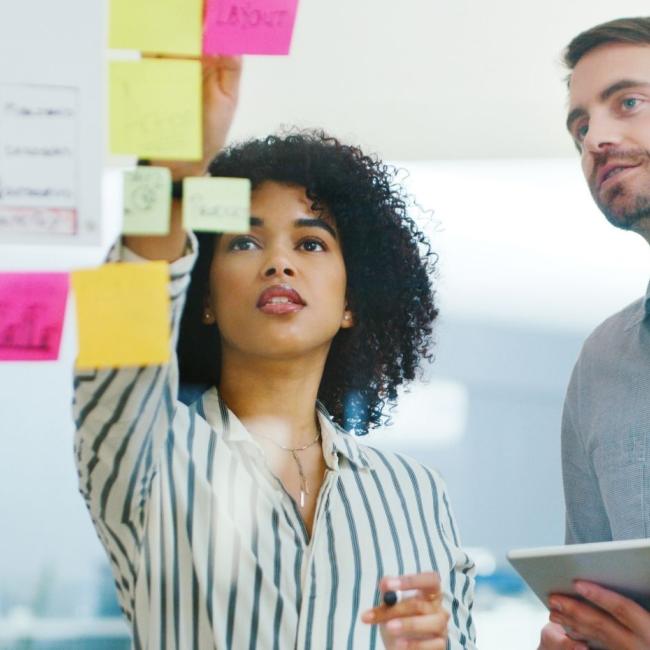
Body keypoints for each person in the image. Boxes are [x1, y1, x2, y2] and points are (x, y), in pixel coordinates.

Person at [73, 56, 476, 649]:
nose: (280, 262)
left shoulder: (415, 492)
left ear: (351, 303)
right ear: (204, 295)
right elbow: (120, 337)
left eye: (311, 242)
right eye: (244, 240)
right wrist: (171, 174)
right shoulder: (150, 453)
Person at [539, 17, 650, 650]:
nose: (596, 139)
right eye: (581, 126)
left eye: (628, 103)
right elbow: (587, 597)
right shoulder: (602, 361)